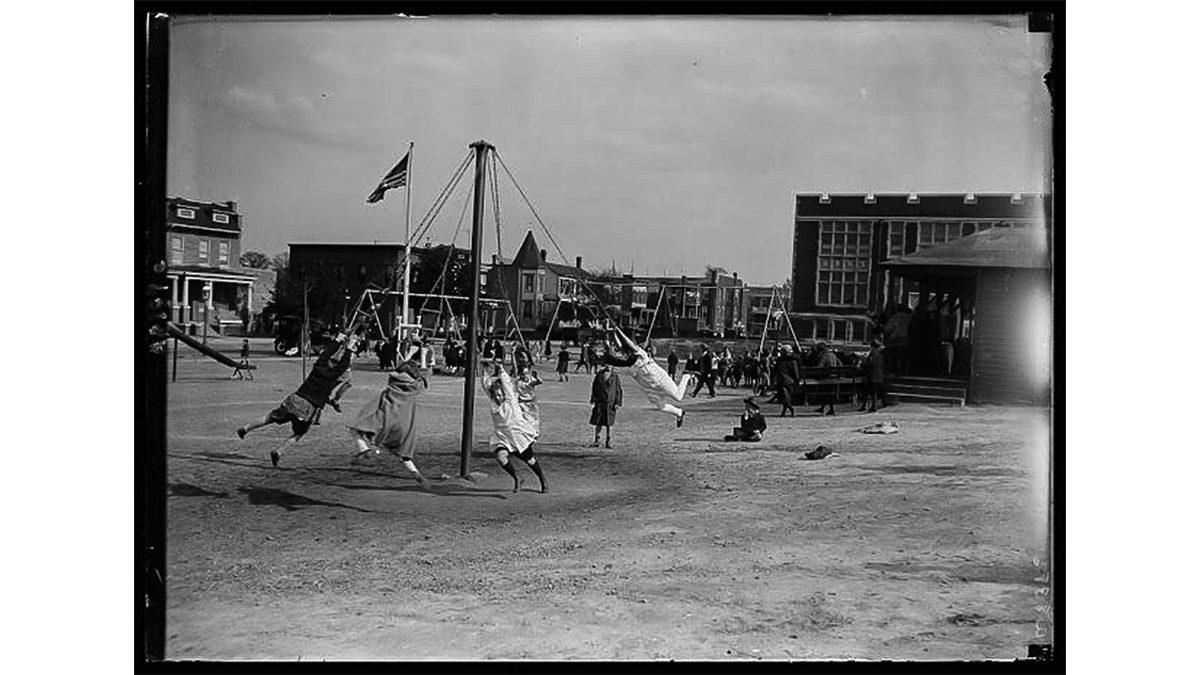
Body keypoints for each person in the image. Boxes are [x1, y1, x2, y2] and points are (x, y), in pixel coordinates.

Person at [236, 324, 362, 467]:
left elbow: (325, 355)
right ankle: (279, 451)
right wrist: (349, 348)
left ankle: (246, 428)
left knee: (270, 417)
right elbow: (343, 365)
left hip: (295, 398)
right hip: (308, 408)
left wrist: (337, 341)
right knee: (299, 433)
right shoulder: (334, 375)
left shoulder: (319, 366)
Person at [346, 359, 432, 489]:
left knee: (355, 429)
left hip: (386, 419)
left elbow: (394, 374)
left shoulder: (393, 382)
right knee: (403, 453)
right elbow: (425, 375)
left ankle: (365, 451)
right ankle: (416, 473)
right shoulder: (416, 387)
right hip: (404, 425)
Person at [605, 325, 695, 427]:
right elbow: (620, 348)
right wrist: (613, 334)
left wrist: (619, 332)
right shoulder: (627, 365)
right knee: (662, 407)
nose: (622, 354)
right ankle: (679, 413)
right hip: (650, 388)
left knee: (678, 397)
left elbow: (629, 344)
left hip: (660, 380)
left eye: (624, 353)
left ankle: (686, 375)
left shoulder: (641, 355)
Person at [482, 360, 548, 493]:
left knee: (529, 460)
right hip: (502, 435)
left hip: (517, 434)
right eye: (495, 393)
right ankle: (517, 478)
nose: (498, 395)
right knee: (501, 457)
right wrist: (485, 371)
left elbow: (506, 383)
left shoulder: (510, 398)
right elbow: (485, 386)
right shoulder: (493, 401)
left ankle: (542, 479)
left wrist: (501, 369)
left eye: (500, 392)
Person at [589, 359, 623, 448]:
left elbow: (618, 390)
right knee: (598, 422)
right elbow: (594, 387)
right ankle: (597, 440)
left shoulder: (615, 376)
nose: (608, 366)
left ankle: (608, 441)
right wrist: (593, 398)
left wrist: (618, 402)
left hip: (610, 403)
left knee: (609, 423)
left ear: (613, 366)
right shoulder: (599, 374)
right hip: (600, 402)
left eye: (610, 364)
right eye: (607, 364)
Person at [512, 347, 543, 439]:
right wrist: (512, 353)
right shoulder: (517, 376)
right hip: (519, 403)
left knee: (532, 423)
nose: (521, 359)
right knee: (521, 424)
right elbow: (514, 366)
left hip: (530, 404)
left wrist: (536, 377)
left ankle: (532, 437)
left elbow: (538, 382)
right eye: (520, 357)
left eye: (523, 357)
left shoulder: (531, 377)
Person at [812, 342, 841, 415]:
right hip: (834, 378)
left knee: (825, 392)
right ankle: (824, 408)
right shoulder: (833, 355)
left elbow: (819, 366)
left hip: (827, 377)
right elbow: (840, 364)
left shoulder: (825, 356)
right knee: (828, 392)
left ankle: (829, 409)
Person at [859, 339, 888, 412]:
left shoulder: (875, 354)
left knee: (872, 391)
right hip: (877, 376)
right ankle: (870, 405)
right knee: (873, 391)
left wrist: (863, 361)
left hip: (873, 375)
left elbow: (871, 364)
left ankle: (872, 406)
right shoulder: (878, 354)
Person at [774, 344, 800, 417]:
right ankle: (784, 412)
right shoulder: (792, 360)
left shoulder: (781, 360)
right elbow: (795, 372)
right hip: (788, 380)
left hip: (784, 380)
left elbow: (776, 370)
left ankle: (791, 409)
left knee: (785, 397)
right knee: (785, 396)